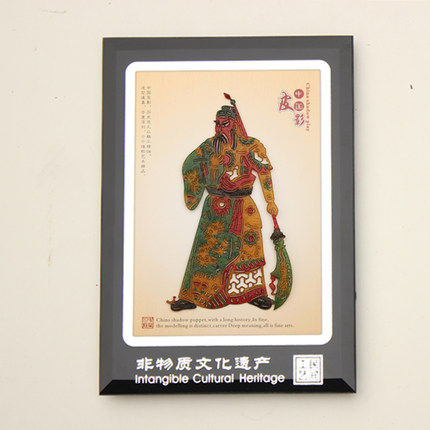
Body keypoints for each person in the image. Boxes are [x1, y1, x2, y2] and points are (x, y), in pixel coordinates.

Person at [169, 104, 278, 311]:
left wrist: (270, 201)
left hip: (243, 205)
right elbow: (190, 164)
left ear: (235, 124)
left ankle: (253, 293)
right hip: (216, 208)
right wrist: (207, 168)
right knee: (205, 251)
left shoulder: (251, 145)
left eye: (224, 124)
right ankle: (192, 296)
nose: (219, 129)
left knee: (248, 250)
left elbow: (265, 172)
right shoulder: (209, 146)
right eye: (217, 124)